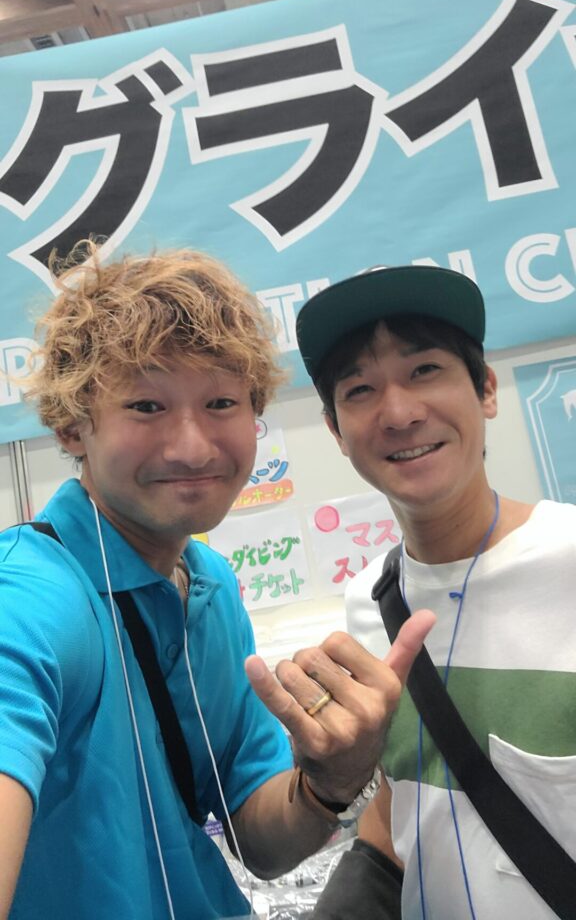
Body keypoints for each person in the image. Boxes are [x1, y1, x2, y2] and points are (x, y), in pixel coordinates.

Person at [0, 245, 433, 920]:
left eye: (221, 402)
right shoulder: (29, 595)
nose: (193, 447)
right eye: (147, 405)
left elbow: (260, 840)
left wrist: (332, 777)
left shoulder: (208, 585)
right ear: (72, 426)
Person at [295, 264, 576, 920]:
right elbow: (411, 796)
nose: (399, 413)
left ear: (486, 389)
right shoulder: (369, 601)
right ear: (336, 432)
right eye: (360, 389)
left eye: (424, 370)